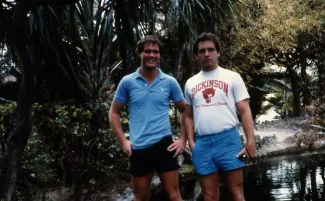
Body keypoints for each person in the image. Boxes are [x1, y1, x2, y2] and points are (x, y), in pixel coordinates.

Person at [109, 35, 186, 201]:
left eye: (156, 52)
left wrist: (183, 139)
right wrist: (123, 141)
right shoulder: (127, 82)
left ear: (159, 55)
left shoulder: (169, 82)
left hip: (165, 145)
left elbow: (185, 111)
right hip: (139, 147)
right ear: (140, 54)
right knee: (140, 198)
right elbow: (113, 112)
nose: (152, 55)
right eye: (147, 51)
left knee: (174, 196)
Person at [184, 32, 256, 201]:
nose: (206, 54)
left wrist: (250, 142)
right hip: (202, 143)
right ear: (197, 55)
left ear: (218, 53)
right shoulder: (190, 83)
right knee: (209, 196)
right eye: (202, 51)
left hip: (228, 140)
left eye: (211, 49)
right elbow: (188, 115)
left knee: (237, 193)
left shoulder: (232, 77)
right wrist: (192, 142)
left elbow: (245, 111)